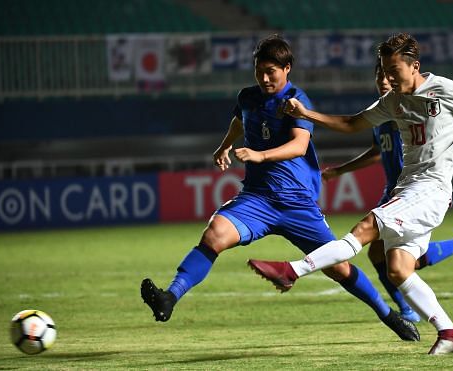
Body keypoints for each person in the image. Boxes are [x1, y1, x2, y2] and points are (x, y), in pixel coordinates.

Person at [248, 33, 453, 355]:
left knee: (364, 229)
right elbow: (351, 123)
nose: (387, 78)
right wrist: (306, 115)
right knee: (399, 268)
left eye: (393, 70)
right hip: (408, 186)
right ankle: (450, 333)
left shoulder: (447, 90)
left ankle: (292, 271)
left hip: (432, 189)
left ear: (414, 66)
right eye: (384, 71)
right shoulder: (392, 101)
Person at [139, 35, 420, 342]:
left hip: (297, 203)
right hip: (257, 199)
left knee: (338, 268)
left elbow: (300, 146)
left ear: (287, 69)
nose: (264, 77)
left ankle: (389, 315)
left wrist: (259, 155)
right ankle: (171, 296)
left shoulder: (296, 101)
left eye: (271, 71)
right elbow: (240, 119)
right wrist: (225, 146)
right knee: (214, 234)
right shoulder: (248, 96)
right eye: (259, 70)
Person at [322, 62, 453, 323]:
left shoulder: (407, 107)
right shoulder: (382, 113)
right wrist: (341, 170)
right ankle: (411, 304)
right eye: (380, 78)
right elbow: (378, 152)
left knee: (396, 257)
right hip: (393, 188)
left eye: (389, 77)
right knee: (386, 256)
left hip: (413, 190)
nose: (384, 82)